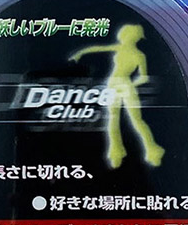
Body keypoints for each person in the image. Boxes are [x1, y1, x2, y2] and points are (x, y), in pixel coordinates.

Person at [70, 24, 165, 169]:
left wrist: (130, 84)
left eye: (130, 36)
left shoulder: (138, 55)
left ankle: (150, 150)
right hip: (116, 84)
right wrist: (81, 52)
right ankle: (117, 151)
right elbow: (98, 48)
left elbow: (144, 77)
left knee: (132, 119)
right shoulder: (126, 50)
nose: (127, 38)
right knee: (116, 118)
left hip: (122, 84)